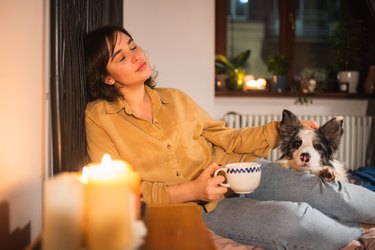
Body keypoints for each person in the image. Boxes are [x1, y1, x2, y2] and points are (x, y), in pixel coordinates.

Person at [83, 25, 375, 250]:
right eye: (121, 56)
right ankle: (357, 234)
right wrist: (194, 190)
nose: (136, 56)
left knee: (319, 190)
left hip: (241, 170)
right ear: (106, 77)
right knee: (294, 217)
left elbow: (227, 138)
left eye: (133, 45)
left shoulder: (175, 99)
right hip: (206, 208)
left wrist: (280, 130)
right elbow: (124, 189)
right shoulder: (98, 117)